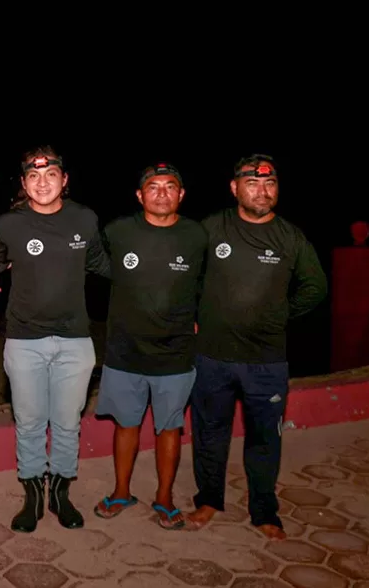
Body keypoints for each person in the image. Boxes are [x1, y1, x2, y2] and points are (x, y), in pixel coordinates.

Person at [186, 154, 327, 540]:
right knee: (209, 434)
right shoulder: (212, 228)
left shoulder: (290, 237)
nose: (262, 191)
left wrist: (281, 314)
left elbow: (316, 287)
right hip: (212, 356)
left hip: (267, 362)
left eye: (269, 183)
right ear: (235, 188)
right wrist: (191, 313)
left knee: (265, 439)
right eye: (252, 183)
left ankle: (264, 511)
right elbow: (183, 272)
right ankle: (209, 500)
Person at [0, 146, 111, 533]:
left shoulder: (85, 218)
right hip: (24, 340)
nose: (43, 182)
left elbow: (103, 265)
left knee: (68, 422)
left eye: (51, 175)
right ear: (24, 183)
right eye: (34, 177)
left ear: (64, 179)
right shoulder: (8, 224)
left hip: (75, 340)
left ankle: (60, 492)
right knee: (30, 423)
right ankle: (32, 496)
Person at [92, 163, 207, 529]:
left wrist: (202, 315)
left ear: (181, 194)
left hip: (175, 353)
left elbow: (212, 282)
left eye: (169, 186)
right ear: (140, 195)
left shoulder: (196, 236)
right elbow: (87, 262)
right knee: (126, 425)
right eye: (152, 187)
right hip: (125, 351)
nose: (161, 193)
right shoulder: (118, 231)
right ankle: (121, 492)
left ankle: (164, 498)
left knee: (168, 428)